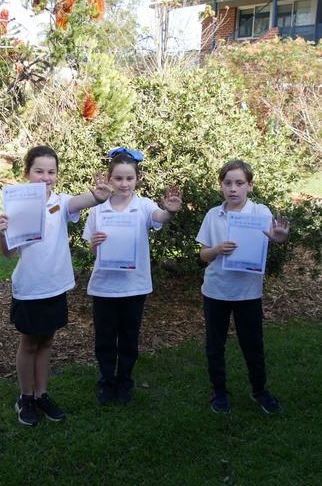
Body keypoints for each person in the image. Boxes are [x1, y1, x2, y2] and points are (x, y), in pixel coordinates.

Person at [0, 145, 112, 426]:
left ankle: (42, 394)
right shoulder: (17, 206)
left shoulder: (60, 202)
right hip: (29, 287)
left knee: (46, 342)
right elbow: (8, 253)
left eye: (51, 171)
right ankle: (25, 397)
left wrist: (97, 196)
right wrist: (1, 233)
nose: (46, 177)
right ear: (27, 173)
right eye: (39, 171)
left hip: (55, 286)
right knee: (29, 343)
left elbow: (82, 202)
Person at [82, 147, 182, 405]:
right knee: (104, 338)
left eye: (129, 178)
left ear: (137, 179)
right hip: (104, 287)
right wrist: (94, 243)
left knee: (128, 338)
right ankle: (106, 382)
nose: (124, 183)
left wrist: (170, 211)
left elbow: (160, 217)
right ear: (110, 179)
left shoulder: (144, 206)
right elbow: (91, 247)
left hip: (134, 287)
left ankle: (125, 382)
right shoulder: (98, 209)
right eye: (118, 178)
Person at [196, 159, 289, 415]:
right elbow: (203, 255)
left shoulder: (261, 213)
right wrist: (216, 250)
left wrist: (280, 239)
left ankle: (259, 390)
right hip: (216, 291)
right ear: (221, 186)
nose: (233, 188)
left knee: (252, 344)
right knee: (215, 345)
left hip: (248, 293)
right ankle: (219, 391)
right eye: (228, 183)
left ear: (250, 185)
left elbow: (276, 239)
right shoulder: (213, 215)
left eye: (239, 183)